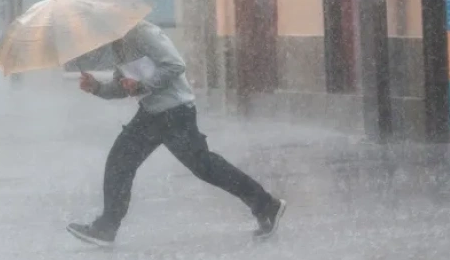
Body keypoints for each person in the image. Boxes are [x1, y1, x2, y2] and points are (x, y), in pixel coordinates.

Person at [66, 20, 286, 246]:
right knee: (120, 161)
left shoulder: (143, 33)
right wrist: (97, 88)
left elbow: (175, 65)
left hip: (175, 112)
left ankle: (266, 205)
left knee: (205, 167)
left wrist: (143, 85)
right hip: (151, 114)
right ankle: (106, 227)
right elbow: (122, 85)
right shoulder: (118, 45)